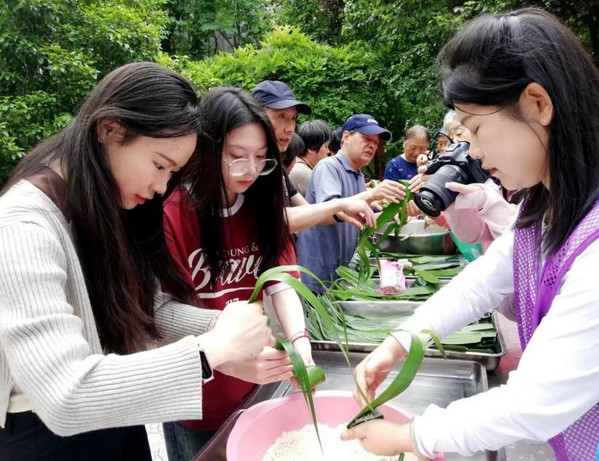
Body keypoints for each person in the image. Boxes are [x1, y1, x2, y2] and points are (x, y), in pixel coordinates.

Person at [343, 8, 599, 461]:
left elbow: (533, 405)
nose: (474, 152)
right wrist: (399, 342)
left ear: (538, 104)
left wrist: (409, 437)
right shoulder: (544, 207)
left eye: (476, 129)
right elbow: (480, 284)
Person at [0, 62, 273, 461]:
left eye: (173, 173)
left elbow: (147, 309)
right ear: (109, 130)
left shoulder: (106, 204)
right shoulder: (22, 227)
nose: (162, 186)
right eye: (160, 165)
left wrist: (223, 329)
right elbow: (64, 395)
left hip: (118, 406)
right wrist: (210, 350)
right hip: (47, 437)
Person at [162, 87, 314, 461]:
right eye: (236, 156)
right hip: (197, 391)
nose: (250, 170)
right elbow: (162, 316)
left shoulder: (260, 203)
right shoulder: (173, 213)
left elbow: (280, 281)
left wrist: (300, 341)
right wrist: (228, 353)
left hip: (253, 383)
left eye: (261, 157)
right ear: (206, 149)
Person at [296, 113, 406, 291]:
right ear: (346, 136)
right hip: (317, 277)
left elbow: (353, 219)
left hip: (339, 276)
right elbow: (332, 210)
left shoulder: (358, 175)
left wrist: (386, 216)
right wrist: (371, 195)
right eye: (366, 138)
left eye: (376, 142)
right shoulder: (329, 167)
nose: (372, 145)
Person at [252, 80, 378, 233]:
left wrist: (346, 212)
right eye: (281, 116)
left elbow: (309, 212)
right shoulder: (249, 167)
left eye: (293, 118)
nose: (290, 128)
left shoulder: (277, 168)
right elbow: (275, 220)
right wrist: (357, 200)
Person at [290, 119, 332, 196]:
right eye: (326, 146)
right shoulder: (305, 174)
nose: (328, 152)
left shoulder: (294, 164)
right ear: (311, 148)